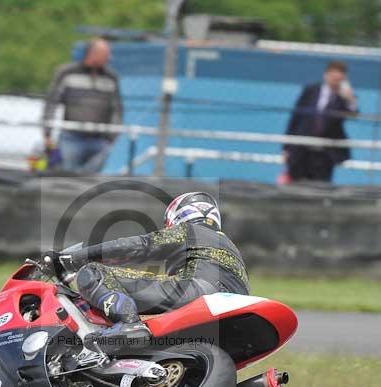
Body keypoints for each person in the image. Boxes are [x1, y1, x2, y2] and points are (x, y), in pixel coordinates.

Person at [46, 192, 249, 351]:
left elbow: (137, 247)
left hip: (198, 290)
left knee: (93, 272)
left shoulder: (189, 231)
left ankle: (129, 324)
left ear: (178, 216)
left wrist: (72, 259)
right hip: (238, 310)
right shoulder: (231, 247)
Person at [42, 38, 123, 174]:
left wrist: (112, 137)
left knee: (89, 180)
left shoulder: (111, 77)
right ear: (92, 54)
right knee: (66, 176)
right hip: (71, 138)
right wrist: (47, 132)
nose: (109, 58)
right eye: (106, 54)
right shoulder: (67, 73)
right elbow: (52, 102)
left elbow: (117, 109)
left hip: (99, 141)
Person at [283, 60, 358, 183]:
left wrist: (350, 99)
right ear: (326, 75)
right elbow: (295, 118)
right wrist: (286, 147)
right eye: (333, 76)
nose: (335, 80)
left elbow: (353, 114)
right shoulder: (311, 91)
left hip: (324, 154)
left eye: (339, 78)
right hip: (301, 150)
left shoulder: (343, 98)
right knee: (295, 185)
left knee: (320, 188)